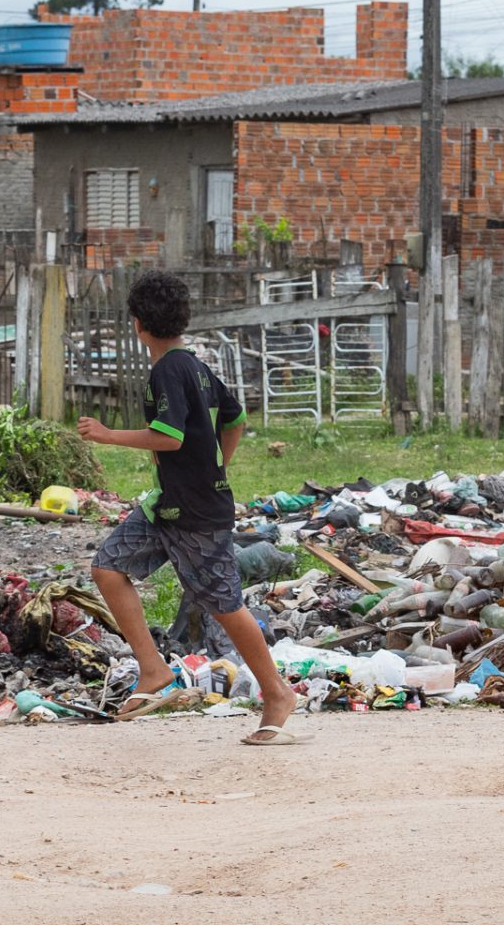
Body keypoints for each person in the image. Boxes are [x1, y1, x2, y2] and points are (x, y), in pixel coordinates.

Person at [78, 270, 305, 745]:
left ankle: (277, 693)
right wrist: (218, 462)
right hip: (167, 506)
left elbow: (169, 435)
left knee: (224, 605)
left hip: (197, 514)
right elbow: (236, 417)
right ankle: (153, 669)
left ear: (138, 325)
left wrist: (107, 434)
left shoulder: (169, 370)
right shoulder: (197, 366)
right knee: (107, 568)